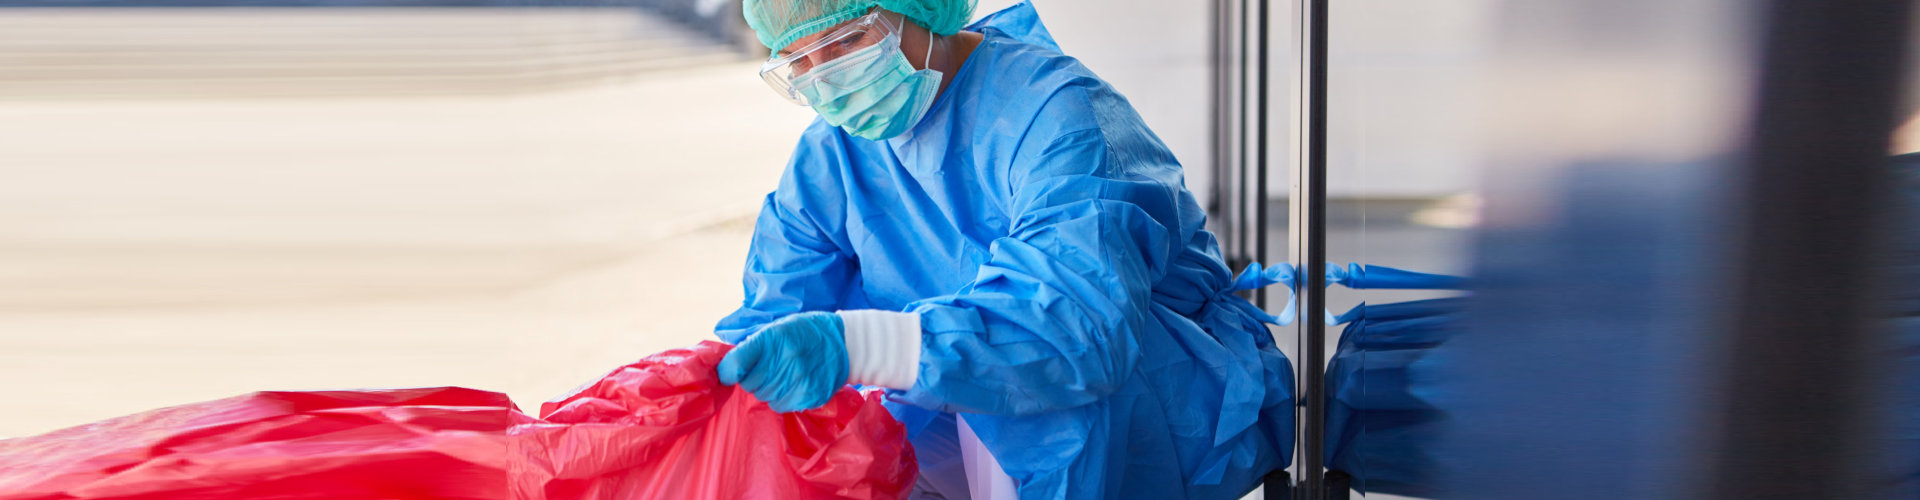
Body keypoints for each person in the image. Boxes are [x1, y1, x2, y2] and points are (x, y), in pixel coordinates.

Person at [710, 1, 1294, 498]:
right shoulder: (830, 159)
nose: (826, 83)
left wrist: (861, 344)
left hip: (1148, 398)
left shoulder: (1057, 114)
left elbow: (1075, 329)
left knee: (1034, 400)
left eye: (847, 43)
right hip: (949, 398)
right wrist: (694, 386)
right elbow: (773, 318)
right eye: (799, 64)